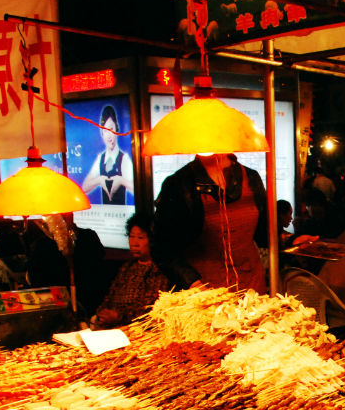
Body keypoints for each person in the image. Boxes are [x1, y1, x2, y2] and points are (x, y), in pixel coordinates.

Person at [151, 153, 269, 292]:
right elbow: (161, 248)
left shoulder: (251, 177)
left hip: (252, 286)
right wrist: (193, 283)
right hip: (205, 292)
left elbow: (264, 233)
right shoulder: (179, 184)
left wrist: (291, 239)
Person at [92, 213, 173, 328]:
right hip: (112, 325)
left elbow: (150, 308)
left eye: (140, 238)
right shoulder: (128, 266)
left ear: (152, 240)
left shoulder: (158, 269)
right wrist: (103, 312)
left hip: (137, 328)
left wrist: (118, 316)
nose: (134, 243)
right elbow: (111, 295)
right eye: (131, 236)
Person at [81, 105, 134, 206]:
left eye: (111, 129)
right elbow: (85, 187)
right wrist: (99, 180)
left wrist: (121, 180)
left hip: (122, 215)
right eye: (105, 131)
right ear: (102, 133)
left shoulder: (124, 158)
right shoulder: (100, 158)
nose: (109, 135)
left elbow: (136, 190)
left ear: (116, 129)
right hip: (104, 216)